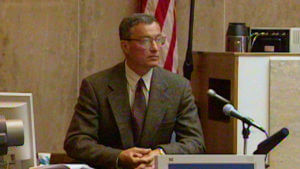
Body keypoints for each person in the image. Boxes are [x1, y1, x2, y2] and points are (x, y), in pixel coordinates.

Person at [64, 13, 205, 169]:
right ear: (125, 46)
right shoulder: (96, 86)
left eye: (159, 40)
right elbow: (77, 141)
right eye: (146, 41)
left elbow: (195, 143)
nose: (155, 48)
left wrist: (161, 153)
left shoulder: (178, 87)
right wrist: (118, 156)